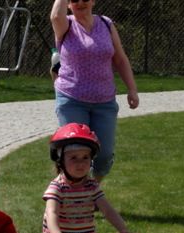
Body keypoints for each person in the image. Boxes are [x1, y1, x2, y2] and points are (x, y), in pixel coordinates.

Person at [50, 0, 139, 181]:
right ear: (68, 4)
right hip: (72, 98)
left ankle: (92, 190)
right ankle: (67, 195)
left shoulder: (106, 23)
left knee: (104, 154)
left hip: (104, 102)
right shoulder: (66, 25)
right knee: (74, 150)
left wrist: (132, 89)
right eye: (74, 0)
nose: (80, 3)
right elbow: (55, 16)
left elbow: (120, 59)